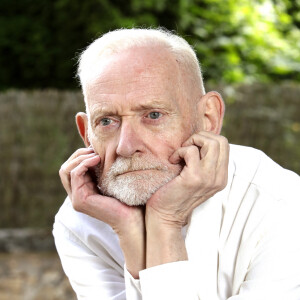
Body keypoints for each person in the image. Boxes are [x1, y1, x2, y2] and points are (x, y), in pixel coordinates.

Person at [53, 28, 300, 300]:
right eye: (107, 121)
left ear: (208, 118)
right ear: (86, 133)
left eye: (153, 115)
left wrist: (164, 221)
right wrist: (129, 230)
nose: (126, 146)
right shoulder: (80, 221)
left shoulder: (282, 203)